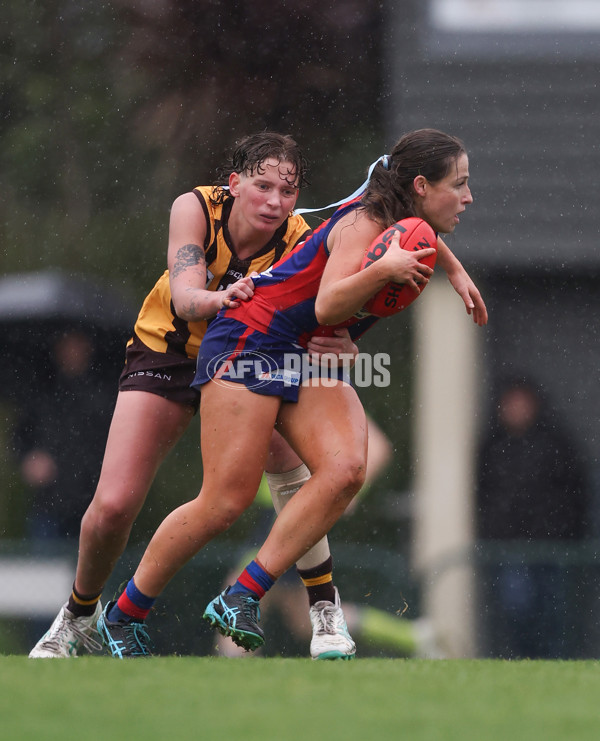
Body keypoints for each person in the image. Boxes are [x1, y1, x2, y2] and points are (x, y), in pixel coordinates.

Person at [96, 128, 488, 658]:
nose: (467, 197)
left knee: (347, 469)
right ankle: (124, 614)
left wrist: (456, 269)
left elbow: (422, 239)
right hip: (249, 341)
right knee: (224, 502)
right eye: (459, 185)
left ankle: (243, 592)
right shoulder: (363, 224)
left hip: (297, 353)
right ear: (420, 185)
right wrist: (385, 270)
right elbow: (328, 307)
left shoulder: (407, 225)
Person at [29, 132, 359, 660]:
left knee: (293, 466)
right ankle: (79, 615)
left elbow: (328, 307)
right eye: (263, 185)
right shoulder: (196, 207)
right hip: (170, 351)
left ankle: (324, 610)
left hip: (248, 356)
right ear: (234, 184)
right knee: (113, 505)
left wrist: (345, 339)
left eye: (289, 190)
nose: (275, 201)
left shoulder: (301, 236)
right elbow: (184, 297)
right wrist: (220, 296)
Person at [476, 374, 589, 659]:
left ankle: (551, 659)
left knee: (551, 611)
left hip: (551, 547)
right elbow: (484, 495)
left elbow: (574, 492)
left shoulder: (556, 444)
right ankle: (522, 657)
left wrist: (564, 532)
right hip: (510, 548)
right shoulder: (493, 446)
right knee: (517, 609)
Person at [12, 330, 113, 540]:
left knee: (93, 567)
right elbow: (19, 438)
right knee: (48, 569)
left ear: (88, 349)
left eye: (77, 344)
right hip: (50, 503)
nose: (72, 352)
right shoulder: (42, 393)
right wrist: (29, 460)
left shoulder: (105, 394)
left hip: (94, 501)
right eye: (66, 345)